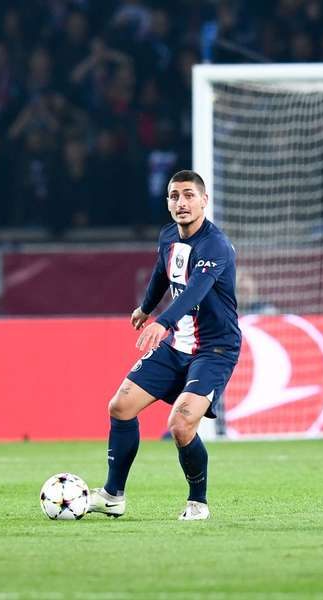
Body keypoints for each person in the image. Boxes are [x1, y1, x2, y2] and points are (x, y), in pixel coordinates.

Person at [88, 170, 240, 521]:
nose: (181, 202)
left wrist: (163, 322)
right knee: (120, 406)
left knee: (181, 425)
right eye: (174, 196)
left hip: (214, 349)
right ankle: (113, 495)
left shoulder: (214, 245)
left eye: (189, 195)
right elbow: (161, 272)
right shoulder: (169, 236)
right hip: (177, 345)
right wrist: (145, 306)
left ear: (204, 200)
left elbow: (196, 291)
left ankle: (198, 502)